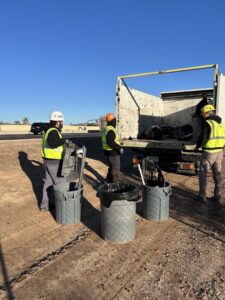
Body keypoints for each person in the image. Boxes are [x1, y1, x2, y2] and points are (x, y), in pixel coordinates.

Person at [196, 104, 225, 203]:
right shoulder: (221, 123)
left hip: (209, 152)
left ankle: (202, 196)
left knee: (203, 173)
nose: (202, 115)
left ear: (207, 112)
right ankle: (217, 196)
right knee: (217, 174)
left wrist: (197, 146)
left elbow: (203, 137)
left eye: (203, 113)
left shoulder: (208, 123)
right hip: (220, 151)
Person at [40, 111, 66, 211]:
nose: (62, 124)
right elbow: (53, 143)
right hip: (54, 161)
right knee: (61, 184)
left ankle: (44, 205)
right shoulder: (53, 131)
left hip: (47, 160)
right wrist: (64, 141)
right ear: (57, 122)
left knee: (48, 183)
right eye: (61, 121)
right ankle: (62, 206)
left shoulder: (47, 130)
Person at [101, 112, 124, 183]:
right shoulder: (111, 129)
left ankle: (108, 181)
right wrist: (119, 148)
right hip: (113, 153)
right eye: (114, 120)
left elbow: (111, 140)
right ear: (112, 121)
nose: (115, 122)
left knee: (111, 168)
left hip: (108, 152)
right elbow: (110, 142)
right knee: (115, 170)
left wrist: (119, 143)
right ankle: (115, 185)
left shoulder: (106, 129)